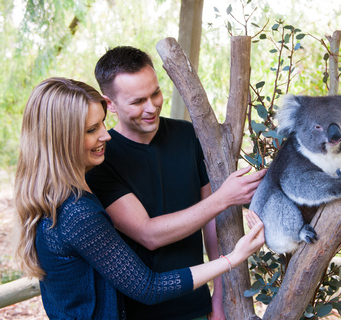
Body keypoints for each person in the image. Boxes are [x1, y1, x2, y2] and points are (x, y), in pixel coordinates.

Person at [14, 77, 265, 320]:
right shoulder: (77, 213)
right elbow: (149, 287)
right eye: (92, 130)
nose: (106, 135)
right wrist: (233, 258)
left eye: (102, 123)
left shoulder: (57, 197)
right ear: (60, 140)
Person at [86, 46, 266, 320]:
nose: (151, 107)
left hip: (195, 302)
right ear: (108, 104)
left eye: (155, 93)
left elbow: (212, 222)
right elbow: (149, 235)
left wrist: (219, 296)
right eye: (137, 101)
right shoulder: (101, 159)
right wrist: (223, 198)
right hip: (136, 311)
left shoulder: (188, 135)